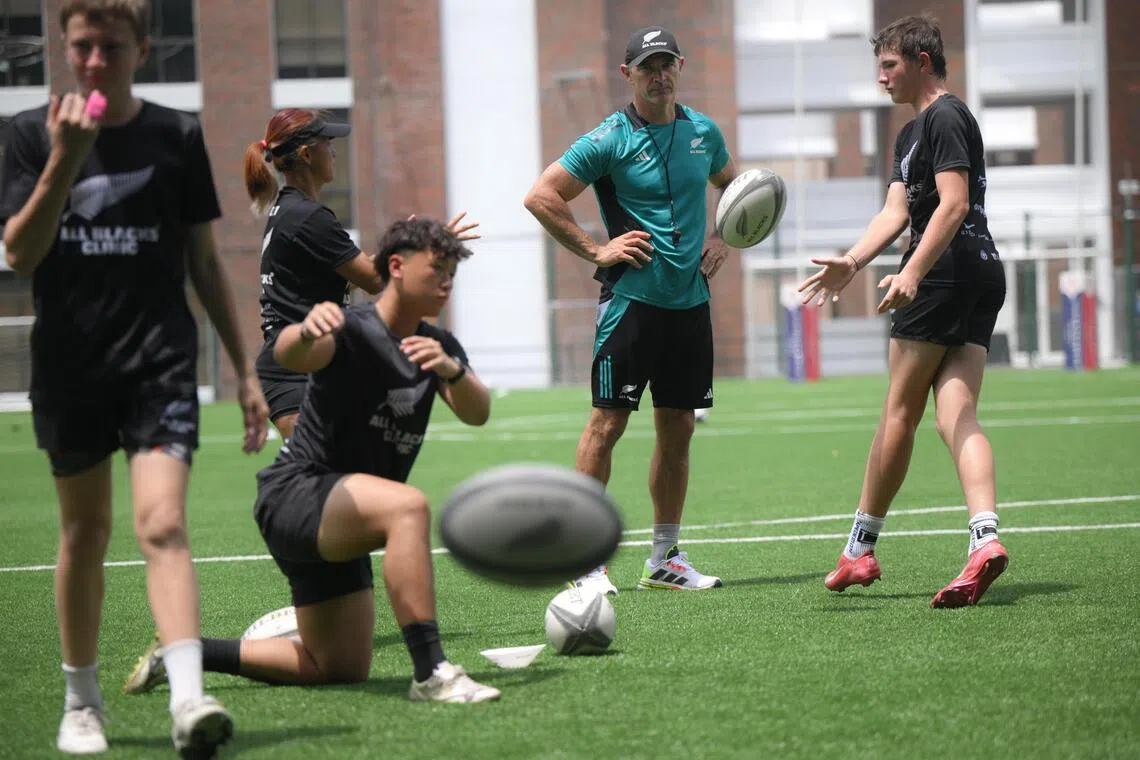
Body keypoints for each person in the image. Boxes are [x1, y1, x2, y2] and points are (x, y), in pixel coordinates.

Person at [0, 0, 269, 755]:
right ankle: (81, 702)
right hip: (70, 368)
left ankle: (188, 700)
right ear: (63, 46)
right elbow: (19, 255)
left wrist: (243, 369)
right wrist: (63, 157)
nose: (93, 63)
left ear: (142, 50)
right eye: (81, 47)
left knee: (163, 524)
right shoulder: (28, 133)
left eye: (110, 49)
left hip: (160, 365)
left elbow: (205, 261)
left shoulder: (174, 135)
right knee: (84, 532)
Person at [122, 218, 500, 703]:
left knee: (338, 666)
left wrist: (452, 371)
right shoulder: (352, 327)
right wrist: (304, 331)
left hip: (343, 516)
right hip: (298, 494)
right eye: (438, 269)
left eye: (452, 271)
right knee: (408, 507)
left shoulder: (438, 346)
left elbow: (478, 412)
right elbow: (287, 355)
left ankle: (183, 653)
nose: (447, 281)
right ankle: (433, 673)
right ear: (398, 266)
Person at [796, 14, 1009, 608]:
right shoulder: (909, 134)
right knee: (956, 413)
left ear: (920, 59)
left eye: (889, 65)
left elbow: (954, 202)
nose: (881, 78)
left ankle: (859, 548)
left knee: (899, 412)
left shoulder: (942, 115)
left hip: (943, 272)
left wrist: (913, 271)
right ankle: (984, 539)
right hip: (979, 273)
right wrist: (853, 261)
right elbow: (896, 213)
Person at [524, 26, 736, 595]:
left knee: (679, 428)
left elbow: (736, 188)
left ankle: (665, 558)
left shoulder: (703, 133)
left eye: (666, 64)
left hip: (690, 305)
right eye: (647, 67)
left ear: (680, 66)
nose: (658, 74)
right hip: (630, 304)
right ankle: (584, 560)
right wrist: (596, 248)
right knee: (606, 424)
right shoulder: (608, 138)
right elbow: (541, 195)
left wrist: (722, 237)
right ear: (629, 75)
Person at [243, 109, 479, 441]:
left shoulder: (290, 209)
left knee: (325, 472)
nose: (334, 151)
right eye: (328, 143)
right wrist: (425, 248)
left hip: (303, 360)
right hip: (298, 366)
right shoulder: (309, 217)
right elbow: (374, 279)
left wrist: (415, 246)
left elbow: (353, 273)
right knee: (317, 473)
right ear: (308, 154)